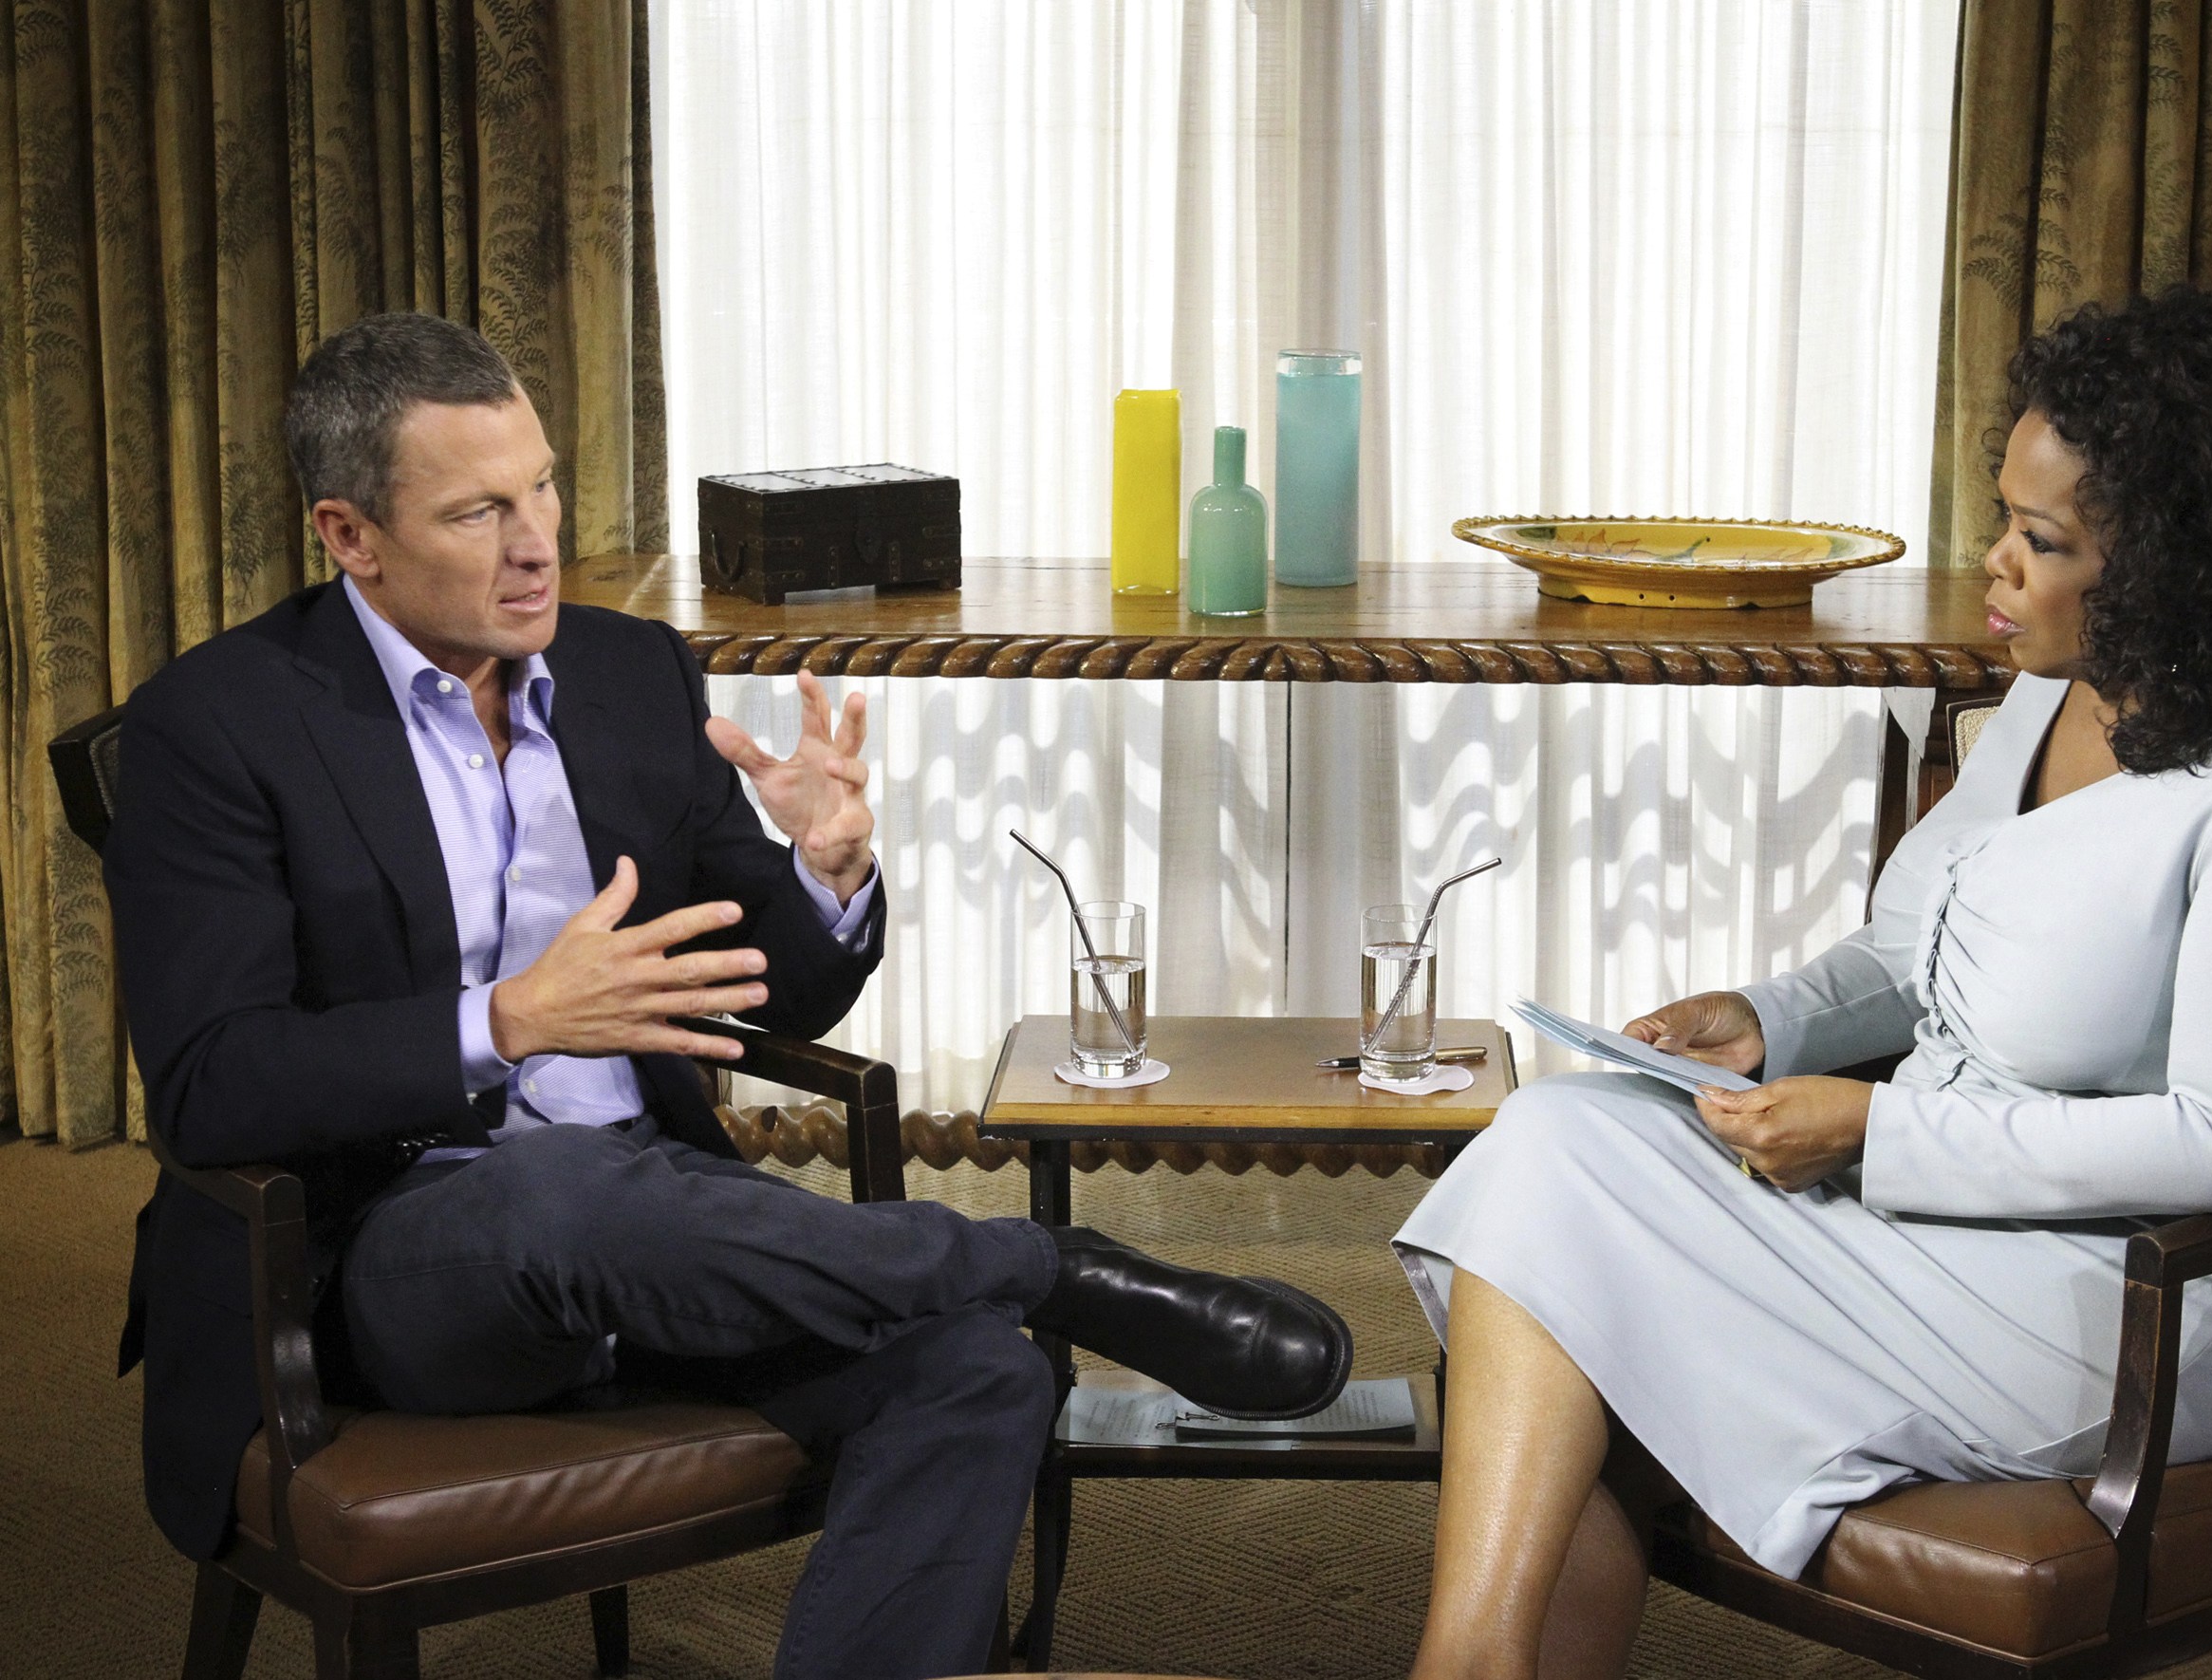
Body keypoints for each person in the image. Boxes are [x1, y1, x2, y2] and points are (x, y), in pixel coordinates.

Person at [106, 312, 1351, 1680]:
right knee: (558, 1187)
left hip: (664, 1222)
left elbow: (777, 992)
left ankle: (1013, 1305)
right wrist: (508, 1022)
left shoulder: (627, 673)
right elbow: (211, 1082)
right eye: (476, 512)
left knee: (980, 1372)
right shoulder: (217, 725)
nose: (536, 544)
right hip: (389, 1259)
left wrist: (825, 870)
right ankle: (1049, 1264)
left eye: (543, 488)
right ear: (351, 535)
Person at [1392, 287, 2212, 1680]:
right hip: (1939, 1215)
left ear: (2194, 567)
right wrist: (1767, 1019)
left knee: (1560, 1235)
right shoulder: (2054, 694)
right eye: (2007, 517)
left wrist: (1879, 1130)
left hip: (2142, 1301)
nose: (1995, 562)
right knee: (1559, 1136)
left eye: (2044, 540)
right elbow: (1913, 956)